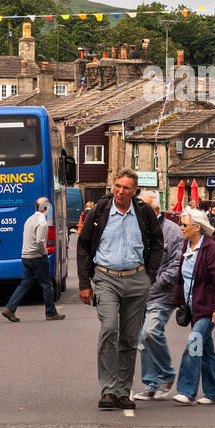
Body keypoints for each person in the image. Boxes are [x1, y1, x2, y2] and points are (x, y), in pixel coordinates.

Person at [76, 170, 164, 411]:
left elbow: (158, 243)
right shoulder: (100, 212)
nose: (120, 191)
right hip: (106, 278)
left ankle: (123, 392)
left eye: (126, 188)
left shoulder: (143, 212)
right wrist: (85, 283)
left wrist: (150, 275)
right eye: (117, 186)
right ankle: (108, 390)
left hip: (137, 279)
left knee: (128, 337)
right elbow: (83, 246)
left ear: (134, 190)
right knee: (109, 329)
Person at [170, 208, 215, 405]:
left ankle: (186, 390)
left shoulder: (212, 250)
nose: (181, 228)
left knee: (193, 345)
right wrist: (177, 301)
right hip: (192, 307)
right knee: (206, 350)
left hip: (207, 308)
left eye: (184, 225)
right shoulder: (186, 245)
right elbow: (181, 277)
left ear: (197, 227)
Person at [132, 191, 184, 401]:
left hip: (161, 294)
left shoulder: (172, 231)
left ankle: (166, 374)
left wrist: (156, 282)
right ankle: (152, 383)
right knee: (141, 339)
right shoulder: (135, 227)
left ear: (155, 210)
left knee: (150, 332)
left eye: (143, 208)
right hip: (138, 293)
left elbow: (175, 264)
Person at [1, 199, 64, 321]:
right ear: (46, 208)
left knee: (25, 284)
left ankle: (10, 308)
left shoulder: (29, 220)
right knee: (47, 284)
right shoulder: (42, 222)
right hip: (37, 257)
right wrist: (44, 252)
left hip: (26, 256)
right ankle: (51, 312)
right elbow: (40, 241)